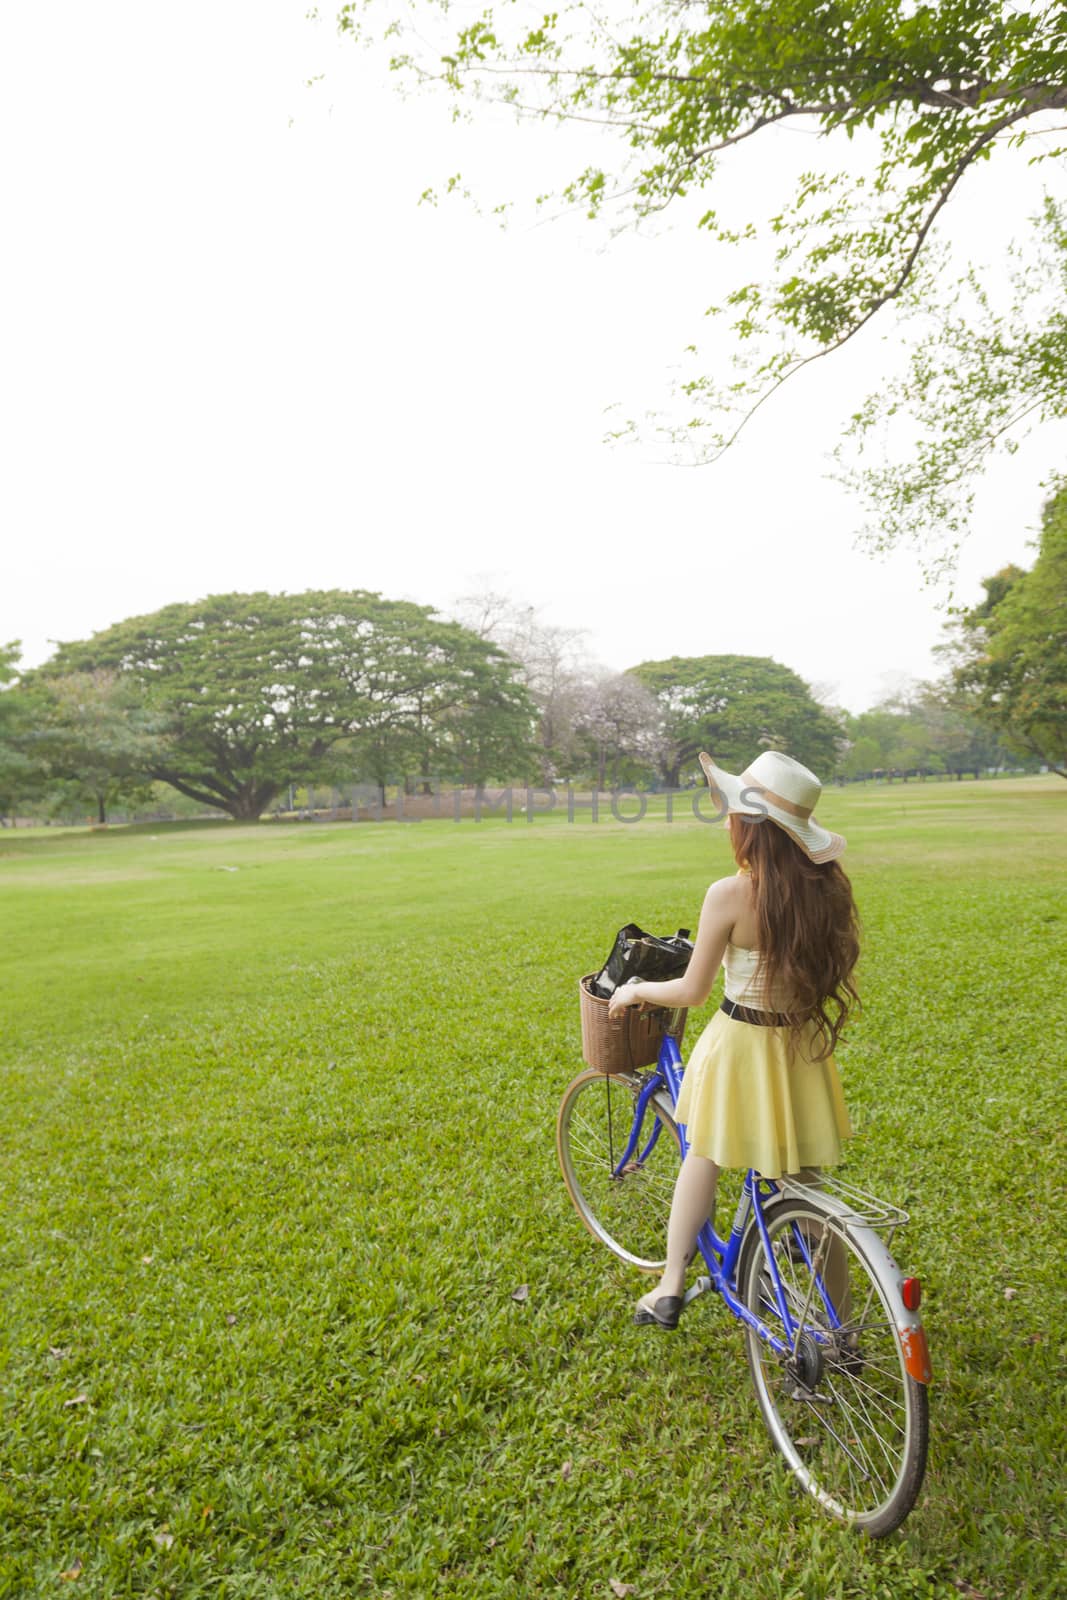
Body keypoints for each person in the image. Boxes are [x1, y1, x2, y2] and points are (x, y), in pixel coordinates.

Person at [607, 750, 860, 1329]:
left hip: (738, 1045)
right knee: (812, 1193)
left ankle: (670, 1284)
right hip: (797, 1051)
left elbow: (693, 991)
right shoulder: (825, 891)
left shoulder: (730, 893)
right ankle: (842, 1329)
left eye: (731, 811)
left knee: (703, 1154)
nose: (726, 821)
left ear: (751, 827)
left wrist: (637, 988)